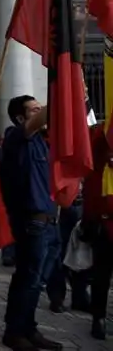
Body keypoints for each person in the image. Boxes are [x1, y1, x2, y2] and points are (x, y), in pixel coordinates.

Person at [0, 95, 63, 351]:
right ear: (21, 117)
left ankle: (28, 327)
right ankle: (14, 332)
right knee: (28, 277)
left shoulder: (43, 143)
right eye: (34, 110)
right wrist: (61, 89)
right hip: (31, 222)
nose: (40, 113)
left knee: (35, 280)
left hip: (49, 222)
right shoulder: (15, 136)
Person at [81, 123, 113, 340]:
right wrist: (90, 218)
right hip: (105, 218)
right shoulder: (100, 134)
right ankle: (98, 317)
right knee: (102, 274)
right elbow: (91, 175)